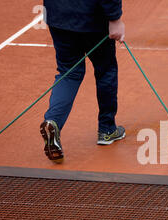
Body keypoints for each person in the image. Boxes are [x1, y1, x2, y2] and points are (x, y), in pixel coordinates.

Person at [40, 0, 126, 163]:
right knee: (105, 70)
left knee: (68, 73)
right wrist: (115, 19)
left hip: (58, 16)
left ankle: (53, 121)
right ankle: (107, 129)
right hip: (93, 20)